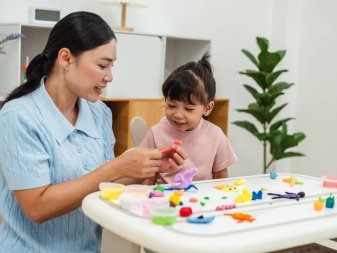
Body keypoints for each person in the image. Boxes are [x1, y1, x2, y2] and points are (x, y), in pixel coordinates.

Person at [0, 11, 186, 253]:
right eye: (102, 65)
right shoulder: (19, 117)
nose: (109, 77)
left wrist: (146, 170)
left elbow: (105, 185)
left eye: (111, 66)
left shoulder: (99, 114)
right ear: (66, 58)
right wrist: (117, 166)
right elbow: (37, 207)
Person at [139, 54, 237, 185]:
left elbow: (221, 179)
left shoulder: (216, 135)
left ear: (207, 108)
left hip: (203, 201)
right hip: (164, 200)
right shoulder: (155, 134)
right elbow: (148, 179)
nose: (178, 114)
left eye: (189, 109)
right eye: (171, 105)